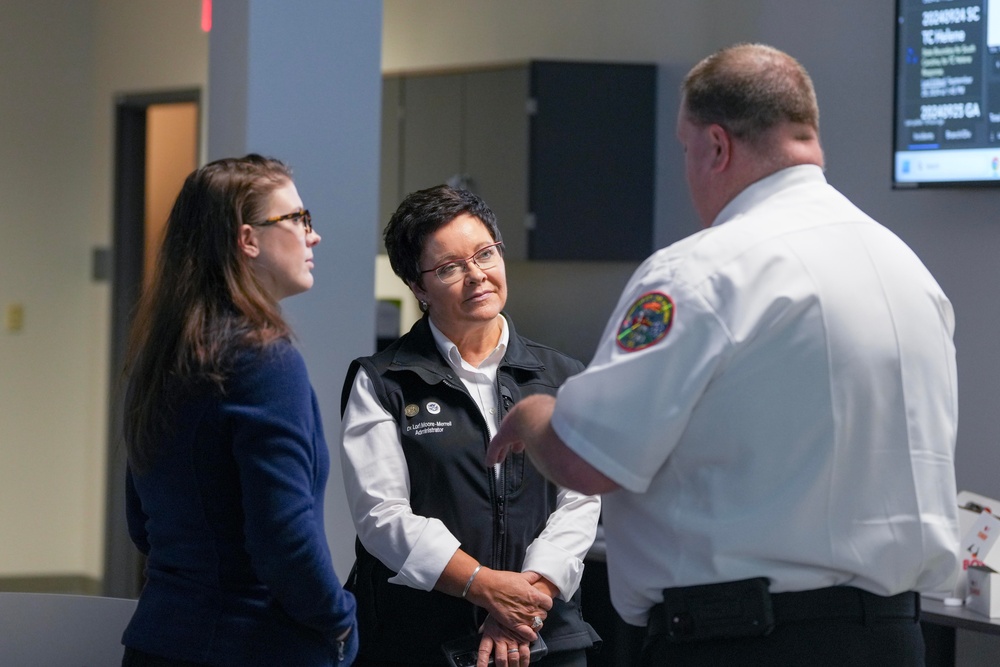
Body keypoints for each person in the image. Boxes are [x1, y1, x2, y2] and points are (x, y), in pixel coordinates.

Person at [487, 43, 960, 666]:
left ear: (716, 146)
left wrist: (531, 414)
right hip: (893, 639)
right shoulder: (907, 270)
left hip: (744, 641)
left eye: (686, 151)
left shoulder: (703, 271)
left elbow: (587, 461)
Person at [340, 185, 602, 667]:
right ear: (418, 288)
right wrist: (484, 586)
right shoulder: (383, 380)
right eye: (449, 268)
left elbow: (580, 499)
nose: (476, 275)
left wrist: (525, 599)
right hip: (421, 639)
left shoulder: (562, 376)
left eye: (485, 254)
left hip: (544, 637)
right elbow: (381, 515)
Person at [120, 154, 358, 666]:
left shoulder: (163, 355)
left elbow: (142, 523)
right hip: (252, 645)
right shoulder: (263, 360)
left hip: (157, 642)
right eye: (296, 219)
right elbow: (284, 536)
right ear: (247, 240)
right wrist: (338, 618)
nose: (312, 236)